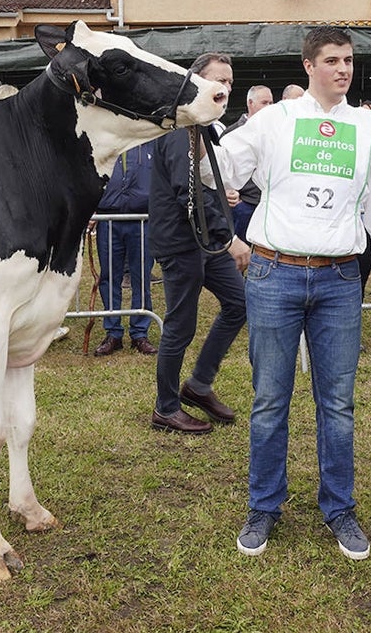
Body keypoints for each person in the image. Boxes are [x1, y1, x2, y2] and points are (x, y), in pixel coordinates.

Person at [208, 25, 371, 562]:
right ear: (308, 66)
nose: (344, 69)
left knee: (336, 403)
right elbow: (218, 165)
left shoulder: (367, 127)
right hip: (275, 275)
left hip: (342, 279)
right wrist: (196, 122)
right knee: (270, 400)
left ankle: (339, 507)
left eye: (349, 60)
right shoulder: (274, 120)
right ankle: (264, 506)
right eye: (333, 60)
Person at [148, 52, 249, 434]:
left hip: (207, 242)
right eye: (218, 80)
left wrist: (223, 195)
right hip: (182, 244)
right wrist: (229, 237)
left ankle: (199, 386)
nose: (225, 88)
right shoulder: (180, 127)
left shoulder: (205, 127)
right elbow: (185, 190)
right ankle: (166, 408)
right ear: (196, 82)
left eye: (230, 82)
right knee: (180, 326)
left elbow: (205, 185)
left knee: (239, 305)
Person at [92, 141, 157, 356]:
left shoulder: (152, 140)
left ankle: (140, 333)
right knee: (109, 277)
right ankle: (113, 333)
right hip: (109, 218)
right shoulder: (108, 138)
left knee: (142, 277)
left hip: (143, 219)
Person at [223, 86, 274, 238]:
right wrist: (235, 197)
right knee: (240, 258)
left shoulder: (277, 132)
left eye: (272, 103)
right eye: (264, 103)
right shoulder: (232, 133)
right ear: (250, 103)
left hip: (268, 206)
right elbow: (222, 170)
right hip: (244, 205)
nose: (269, 107)